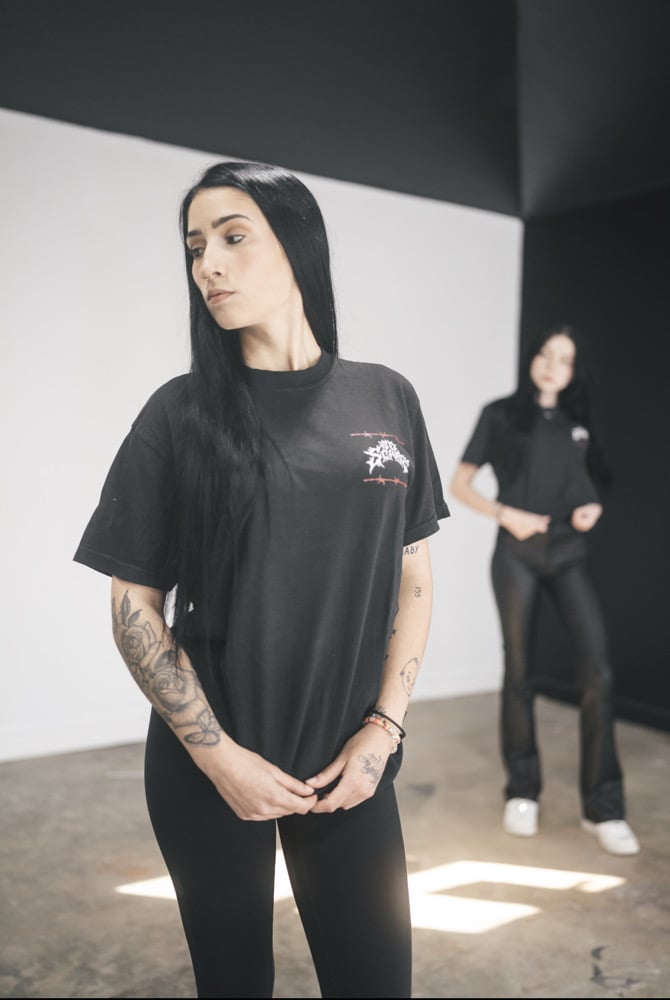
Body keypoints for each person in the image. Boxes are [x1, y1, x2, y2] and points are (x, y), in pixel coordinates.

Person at [73, 160, 450, 998]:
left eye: (233, 237)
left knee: (375, 981)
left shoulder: (388, 399)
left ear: (299, 245)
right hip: (210, 765)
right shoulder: (181, 414)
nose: (207, 264)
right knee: (234, 981)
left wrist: (383, 732)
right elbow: (134, 603)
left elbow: (413, 574)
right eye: (195, 247)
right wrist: (219, 760)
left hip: (350, 760)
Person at [449, 324, 640, 857]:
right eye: (547, 354)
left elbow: (591, 484)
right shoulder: (500, 415)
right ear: (533, 358)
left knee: (598, 672)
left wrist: (592, 507)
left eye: (566, 360)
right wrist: (505, 513)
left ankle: (603, 808)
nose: (554, 366)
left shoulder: (580, 422)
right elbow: (459, 484)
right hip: (518, 555)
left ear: (575, 371)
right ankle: (522, 792)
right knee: (520, 670)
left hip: (569, 552)